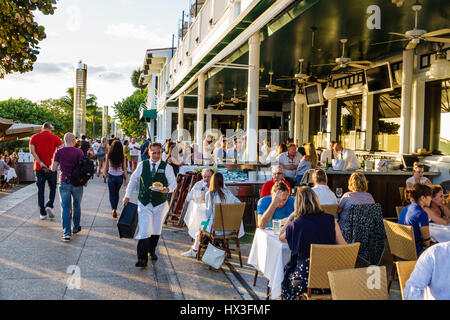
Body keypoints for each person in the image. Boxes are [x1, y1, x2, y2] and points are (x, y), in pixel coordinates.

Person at [279, 186, 347, 300]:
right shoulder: (331, 220)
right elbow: (344, 247)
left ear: (297, 204)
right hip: (331, 279)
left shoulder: (296, 224)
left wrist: (291, 217)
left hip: (304, 282)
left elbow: (281, 237)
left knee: (286, 273)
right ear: (316, 201)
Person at [123, 142, 177, 267]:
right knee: (145, 228)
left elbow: (173, 184)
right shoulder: (142, 165)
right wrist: (127, 195)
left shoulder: (167, 167)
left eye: (158, 153)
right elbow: (133, 180)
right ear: (149, 152)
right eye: (154, 153)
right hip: (144, 202)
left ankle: (151, 250)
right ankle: (142, 258)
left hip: (160, 203)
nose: (156, 155)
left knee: (156, 229)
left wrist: (168, 190)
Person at [51, 133, 85, 242]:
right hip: (77, 183)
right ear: (74, 140)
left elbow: (54, 168)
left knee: (65, 208)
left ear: (64, 140)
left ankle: (66, 233)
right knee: (76, 205)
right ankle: (75, 227)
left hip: (64, 182)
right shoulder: (79, 152)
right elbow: (83, 167)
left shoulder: (59, 152)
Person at [29, 122, 63, 220]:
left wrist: (40, 162)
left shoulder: (34, 137)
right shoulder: (55, 138)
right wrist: (54, 161)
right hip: (51, 167)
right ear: (50, 127)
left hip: (39, 168)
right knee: (52, 187)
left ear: (42, 128)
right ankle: (49, 205)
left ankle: (42, 213)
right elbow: (61, 150)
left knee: (40, 190)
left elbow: (32, 151)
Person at [398, 184, 432, 255]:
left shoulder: (405, 209)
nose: (431, 199)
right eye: (430, 196)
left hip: (401, 249)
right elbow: (427, 242)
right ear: (423, 198)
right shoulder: (421, 213)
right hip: (415, 252)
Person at [103, 140, 128, 218]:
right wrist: (126, 179)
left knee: (111, 194)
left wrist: (104, 174)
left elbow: (106, 167)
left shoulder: (109, 155)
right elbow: (125, 168)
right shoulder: (123, 156)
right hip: (119, 177)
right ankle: (115, 208)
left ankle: (113, 209)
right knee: (116, 193)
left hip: (111, 176)